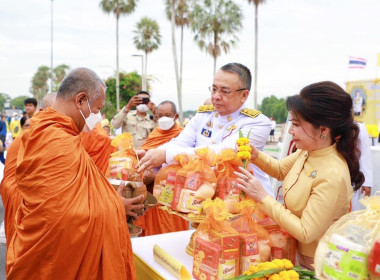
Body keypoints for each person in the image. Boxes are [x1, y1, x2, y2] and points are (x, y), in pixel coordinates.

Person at [5, 68, 138, 279]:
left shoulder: (58, 135)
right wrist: (116, 205)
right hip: (54, 262)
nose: (97, 117)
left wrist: (107, 197)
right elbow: (64, 217)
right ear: (81, 100)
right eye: (97, 109)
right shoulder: (55, 139)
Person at [234, 81, 364, 270]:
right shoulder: (307, 151)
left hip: (319, 267)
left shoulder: (333, 174)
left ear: (323, 130)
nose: (290, 130)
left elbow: (305, 232)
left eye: (296, 124)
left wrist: (263, 197)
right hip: (296, 256)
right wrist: (256, 155)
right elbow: (279, 169)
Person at [137, 62, 273, 196]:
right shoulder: (203, 116)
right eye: (214, 89)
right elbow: (180, 142)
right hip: (204, 198)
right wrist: (153, 154)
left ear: (244, 95)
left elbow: (220, 153)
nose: (216, 96)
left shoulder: (257, 123)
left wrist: (165, 155)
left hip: (245, 203)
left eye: (224, 91)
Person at [136, 101, 189, 236]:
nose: (164, 118)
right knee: (152, 235)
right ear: (156, 117)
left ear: (175, 117)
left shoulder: (184, 136)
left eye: (168, 115)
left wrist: (157, 176)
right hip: (153, 194)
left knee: (173, 233)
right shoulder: (154, 134)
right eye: (160, 115)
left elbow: (188, 168)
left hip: (174, 195)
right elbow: (142, 161)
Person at [351, 122, 373, 211]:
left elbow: (365, 154)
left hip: (351, 178)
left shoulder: (359, 127)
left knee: (351, 211)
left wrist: (367, 181)